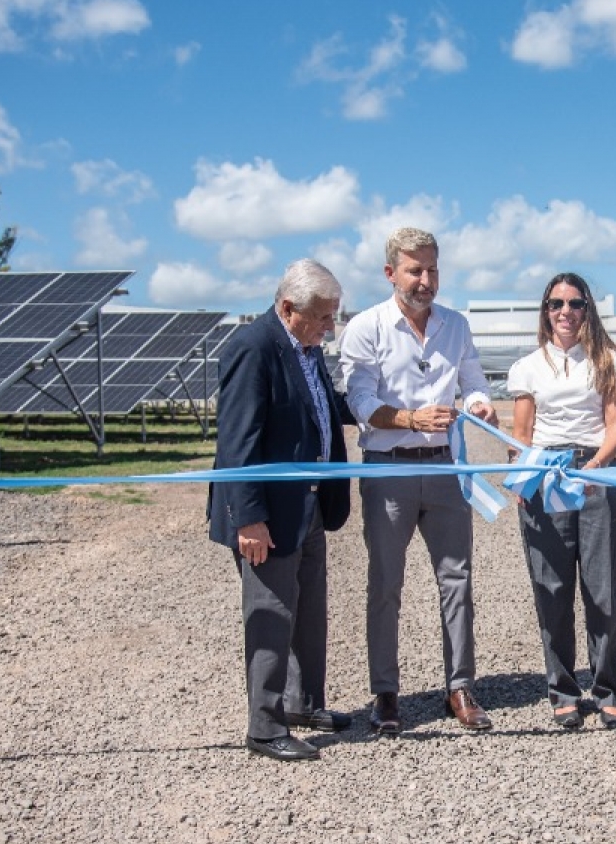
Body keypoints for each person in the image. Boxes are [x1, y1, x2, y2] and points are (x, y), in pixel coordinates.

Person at [339, 227, 499, 735]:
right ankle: (386, 694)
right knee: (386, 584)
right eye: (415, 270)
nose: (426, 280)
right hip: (389, 469)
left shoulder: (456, 325)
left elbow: (473, 382)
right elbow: (359, 401)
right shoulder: (365, 328)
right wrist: (410, 420)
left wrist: (479, 405)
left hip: (446, 468)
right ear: (391, 273)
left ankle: (460, 687)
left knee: (457, 580)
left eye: (432, 269)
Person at [207, 259, 352, 762]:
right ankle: (264, 727)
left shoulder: (305, 348)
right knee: (270, 614)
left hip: (308, 504)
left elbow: (321, 408)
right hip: (266, 515)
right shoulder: (253, 349)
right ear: (289, 308)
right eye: (323, 317)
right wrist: (248, 516)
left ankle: (303, 704)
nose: (330, 328)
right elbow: (237, 440)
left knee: (309, 610)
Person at [508, 272, 616, 729]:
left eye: (576, 303)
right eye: (556, 303)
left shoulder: (609, 361)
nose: (566, 312)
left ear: (588, 309)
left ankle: (606, 687)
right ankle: (563, 689)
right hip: (545, 478)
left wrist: (595, 466)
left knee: (603, 589)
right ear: (545, 310)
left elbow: (615, 426)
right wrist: (524, 483)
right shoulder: (528, 367)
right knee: (552, 589)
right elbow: (522, 435)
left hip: (598, 475)